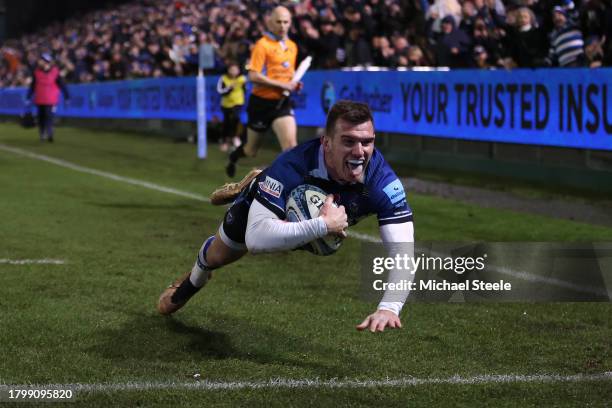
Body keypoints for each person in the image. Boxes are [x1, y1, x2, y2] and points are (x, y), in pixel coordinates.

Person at [158, 100, 415, 333]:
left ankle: (261, 180)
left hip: (307, 222)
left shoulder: (384, 182)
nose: (360, 152)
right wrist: (323, 224)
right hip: (269, 208)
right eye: (348, 141)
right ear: (326, 142)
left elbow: (403, 252)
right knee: (218, 256)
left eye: (367, 142)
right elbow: (257, 241)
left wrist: (389, 308)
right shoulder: (292, 166)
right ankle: (193, 279)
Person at [225, 6, 302, 178]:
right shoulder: (262, 45)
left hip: (282, 103)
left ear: (290, 23)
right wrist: (282, 85)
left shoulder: (292, 46)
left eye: (286, 22)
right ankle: (234, 156)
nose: (282, 26)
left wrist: (292, 85)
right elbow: (253, 76)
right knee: (251, 150)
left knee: (291, 148)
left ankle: (282, 189)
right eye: (278, 22)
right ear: (270, 23)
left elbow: (287, 76)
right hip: (261, 103)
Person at [26, 53, 70, 142]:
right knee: (41, 117)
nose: (39, 62)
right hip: (39, 99)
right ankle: (42, 134)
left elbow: (62, 85)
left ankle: (49, 133)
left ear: (46, 62)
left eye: (41, 60)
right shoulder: (36, 72)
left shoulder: (55, 72)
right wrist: (28, 97)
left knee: (49, 116)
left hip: (51, 100)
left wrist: (67, 96)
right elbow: (33, 86)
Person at [216, 62, 247, 152]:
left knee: (236, 119)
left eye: (236, 69)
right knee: (227, 122)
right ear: (228, 70)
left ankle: (235, 138)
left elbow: (245, 89)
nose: (234, 71)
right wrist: (229, 88)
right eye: (232, 69)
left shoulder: (242, 79)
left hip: (238, 103)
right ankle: (225, 141)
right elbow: (220, 91)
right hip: (226, 104)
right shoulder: (223, 78)